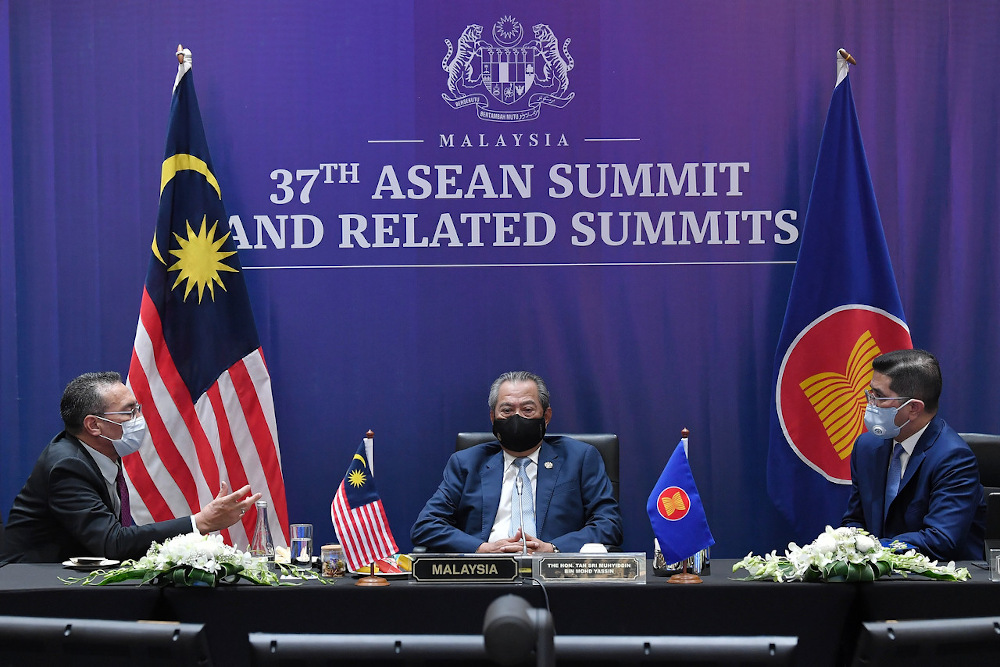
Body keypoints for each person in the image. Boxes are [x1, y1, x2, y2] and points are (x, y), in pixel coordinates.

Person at [0, 372, 260, 564]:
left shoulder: (105, 451)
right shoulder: (67, 466)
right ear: (94, 425)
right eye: (129, 412)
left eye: (138, 408)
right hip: (30, 585)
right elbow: (112, 543)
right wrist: (200, 522)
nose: (139, 419)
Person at [411, 371, 622, 553]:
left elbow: (609, 524)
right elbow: (427, 526)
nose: (517, 417)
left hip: (554, 575)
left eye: (527, 410)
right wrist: (482, 548)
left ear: (546, 416)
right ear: (493, 418)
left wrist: (552, 548)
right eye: (507, 411)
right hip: (485, 573)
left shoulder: (579, 458)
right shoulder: (467, 463)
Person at [842, 349, 986, 561]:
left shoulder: (954, 459)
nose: (870, 404)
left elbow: (941, 539)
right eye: (870, 394)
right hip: (877, 572)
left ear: (913, 408)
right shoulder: (866, 447)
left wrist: (872, 549)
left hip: (935, 576)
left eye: (879, 397)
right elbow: (855, 520)